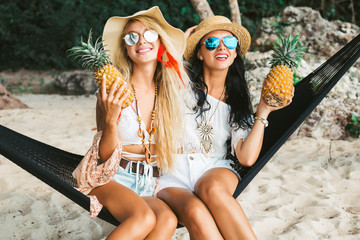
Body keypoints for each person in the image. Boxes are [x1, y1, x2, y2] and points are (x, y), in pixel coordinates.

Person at [157, 16, 293, 239]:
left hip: (215, 168)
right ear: (200, 53)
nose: (221, 47)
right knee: (195, 211)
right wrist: (180, 41)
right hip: (172, 174)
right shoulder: (179, 85)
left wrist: (263, 111)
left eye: (229, 43)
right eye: (211, 43)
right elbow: (158, 63)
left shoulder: (237, 102)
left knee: (211, 190)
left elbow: (247, 158)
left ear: (236, 52)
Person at [73, 6, 189, 240]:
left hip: (149, 182)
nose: (141, 41)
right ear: (126, 49)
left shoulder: (170, 92)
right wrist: (110, 119)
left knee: (167, 219)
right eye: (132, 37)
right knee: (144, 218)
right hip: (112, 176)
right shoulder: (112, 89)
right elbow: (104, 157)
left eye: (150, 34)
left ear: (160, 42)